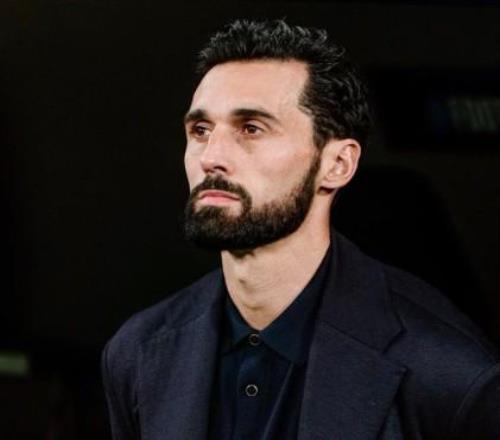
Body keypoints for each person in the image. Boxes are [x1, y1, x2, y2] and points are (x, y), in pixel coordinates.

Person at [101, 19, 500, 440]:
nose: (211, 157)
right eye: (200, 130)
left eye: (251, 128)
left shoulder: (451, 373)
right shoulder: (138, 352)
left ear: (337, 164)